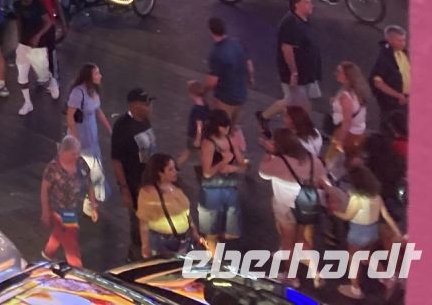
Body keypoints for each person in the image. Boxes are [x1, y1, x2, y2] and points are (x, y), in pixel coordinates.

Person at [326, 167, 402, 301]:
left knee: (353, 259)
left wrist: (334, 212)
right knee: (367, 255)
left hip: (358, 232)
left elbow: (348, 216)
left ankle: (355, 289)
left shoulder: (357, 199)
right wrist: (397, 231)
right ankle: (386, 278)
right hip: (372, 231)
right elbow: (385, 215)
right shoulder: (376, 196)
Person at [258, 128, 328, 272]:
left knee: (288, 242)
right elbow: (324, 180)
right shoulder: (313, 160)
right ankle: (316, 272)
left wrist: (268, 153)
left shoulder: (279, 162)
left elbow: (262, 172)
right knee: (300, 239)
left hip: (285, 208)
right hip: (307, 205)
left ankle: (291, 276)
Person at [110, 89, 157, 260]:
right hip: (135, 184)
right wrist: (124, 190)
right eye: (146, 103)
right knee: (139, 223)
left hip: (150, 181)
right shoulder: (122, 127)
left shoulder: (145, 120)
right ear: (134, 105)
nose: (149, 106)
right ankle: (136, 257)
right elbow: (116, 160)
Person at [262, 0, 322, 126]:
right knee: (300, 104)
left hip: (306, 71)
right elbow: (287, 49)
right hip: (296, 73)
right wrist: (293, 72)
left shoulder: (303, 19)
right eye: (307, 2)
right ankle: (306, 129)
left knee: (294, 100)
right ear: (297, 5)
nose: (311, 5)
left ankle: (264, 117)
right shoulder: (291, 24)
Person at [41, 134, 97, 268]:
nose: (77, 156)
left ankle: (48, 253)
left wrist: (93, 205)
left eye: (78, 153)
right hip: (60, 210)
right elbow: (44, 190)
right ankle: (77, 267)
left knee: (60, 232)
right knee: (71, 240)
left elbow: (89, 184)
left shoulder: (81, 163)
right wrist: (45, 212)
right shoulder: (53, 168)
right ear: (64, 152)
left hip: (75, 207)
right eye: (73, 154)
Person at [197, 110, 247, 250]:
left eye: (228, 126)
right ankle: (213, 259)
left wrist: (228, 167)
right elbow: (207, 173)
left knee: (232, 231)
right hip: (212, 189)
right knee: (211, 231)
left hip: (227, 188)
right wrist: (223, 162)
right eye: (224, 126)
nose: (227, 129)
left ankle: (213, 249)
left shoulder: (231, 139)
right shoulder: (208, 143)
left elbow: (242, 165)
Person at [65, 64, 112, 205]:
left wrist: (109, 128)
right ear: (89, 76)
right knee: (93, 165)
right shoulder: (78, 93)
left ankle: (94, 193)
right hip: (81, 136)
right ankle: (96, 195)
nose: (100, 76)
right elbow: (70, 116)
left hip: (91, 134)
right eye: (97, 73)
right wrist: (76, 138)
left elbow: (98, 111)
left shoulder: (93, 91)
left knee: (93, 165)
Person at [136, 154, 199, 259]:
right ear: (159, 173)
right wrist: (145, 247)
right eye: (170, 169)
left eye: (174, 168)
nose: (175, 172)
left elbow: (185, 211)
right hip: (163, 242)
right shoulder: (149, 193)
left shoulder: (176, 187)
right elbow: (144, 223)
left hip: (183, 239)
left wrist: (194, 230)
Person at [12, 0, 57, 116]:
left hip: (38, 46)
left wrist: (38, 36)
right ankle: (27, 103)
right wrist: (19, 41)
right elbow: (19, 22)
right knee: (22, 77)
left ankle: (52, 81)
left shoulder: (38, 4)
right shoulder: (17, 5)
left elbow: (48, 22)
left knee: (42, 75)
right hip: (24, 45)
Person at [204, 16, 253, 123]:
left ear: (211, 31)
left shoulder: (216, 54)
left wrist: (203, 92)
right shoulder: (238, 43)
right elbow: (249, 64)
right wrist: (251, 79)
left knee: (219, 127)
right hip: (240, 96)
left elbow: (212, 82)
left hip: (225, 98)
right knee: (232, 126)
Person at [327, 60, 370, 161]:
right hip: (358, 134)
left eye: (339, 72)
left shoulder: (345, 96)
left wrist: (339, 141)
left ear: (347, 76)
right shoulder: (357, 92)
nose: (335, 74)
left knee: (331, 161)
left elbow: (347, 121)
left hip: (346, 134)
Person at [370, 25, 410, 113]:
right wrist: (399, 96)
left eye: (404, 40)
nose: (403, 43)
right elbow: (378, 83)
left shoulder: (405, 53)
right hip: (393, 104)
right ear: (390, 40)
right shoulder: (384, 59)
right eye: (399, 40)